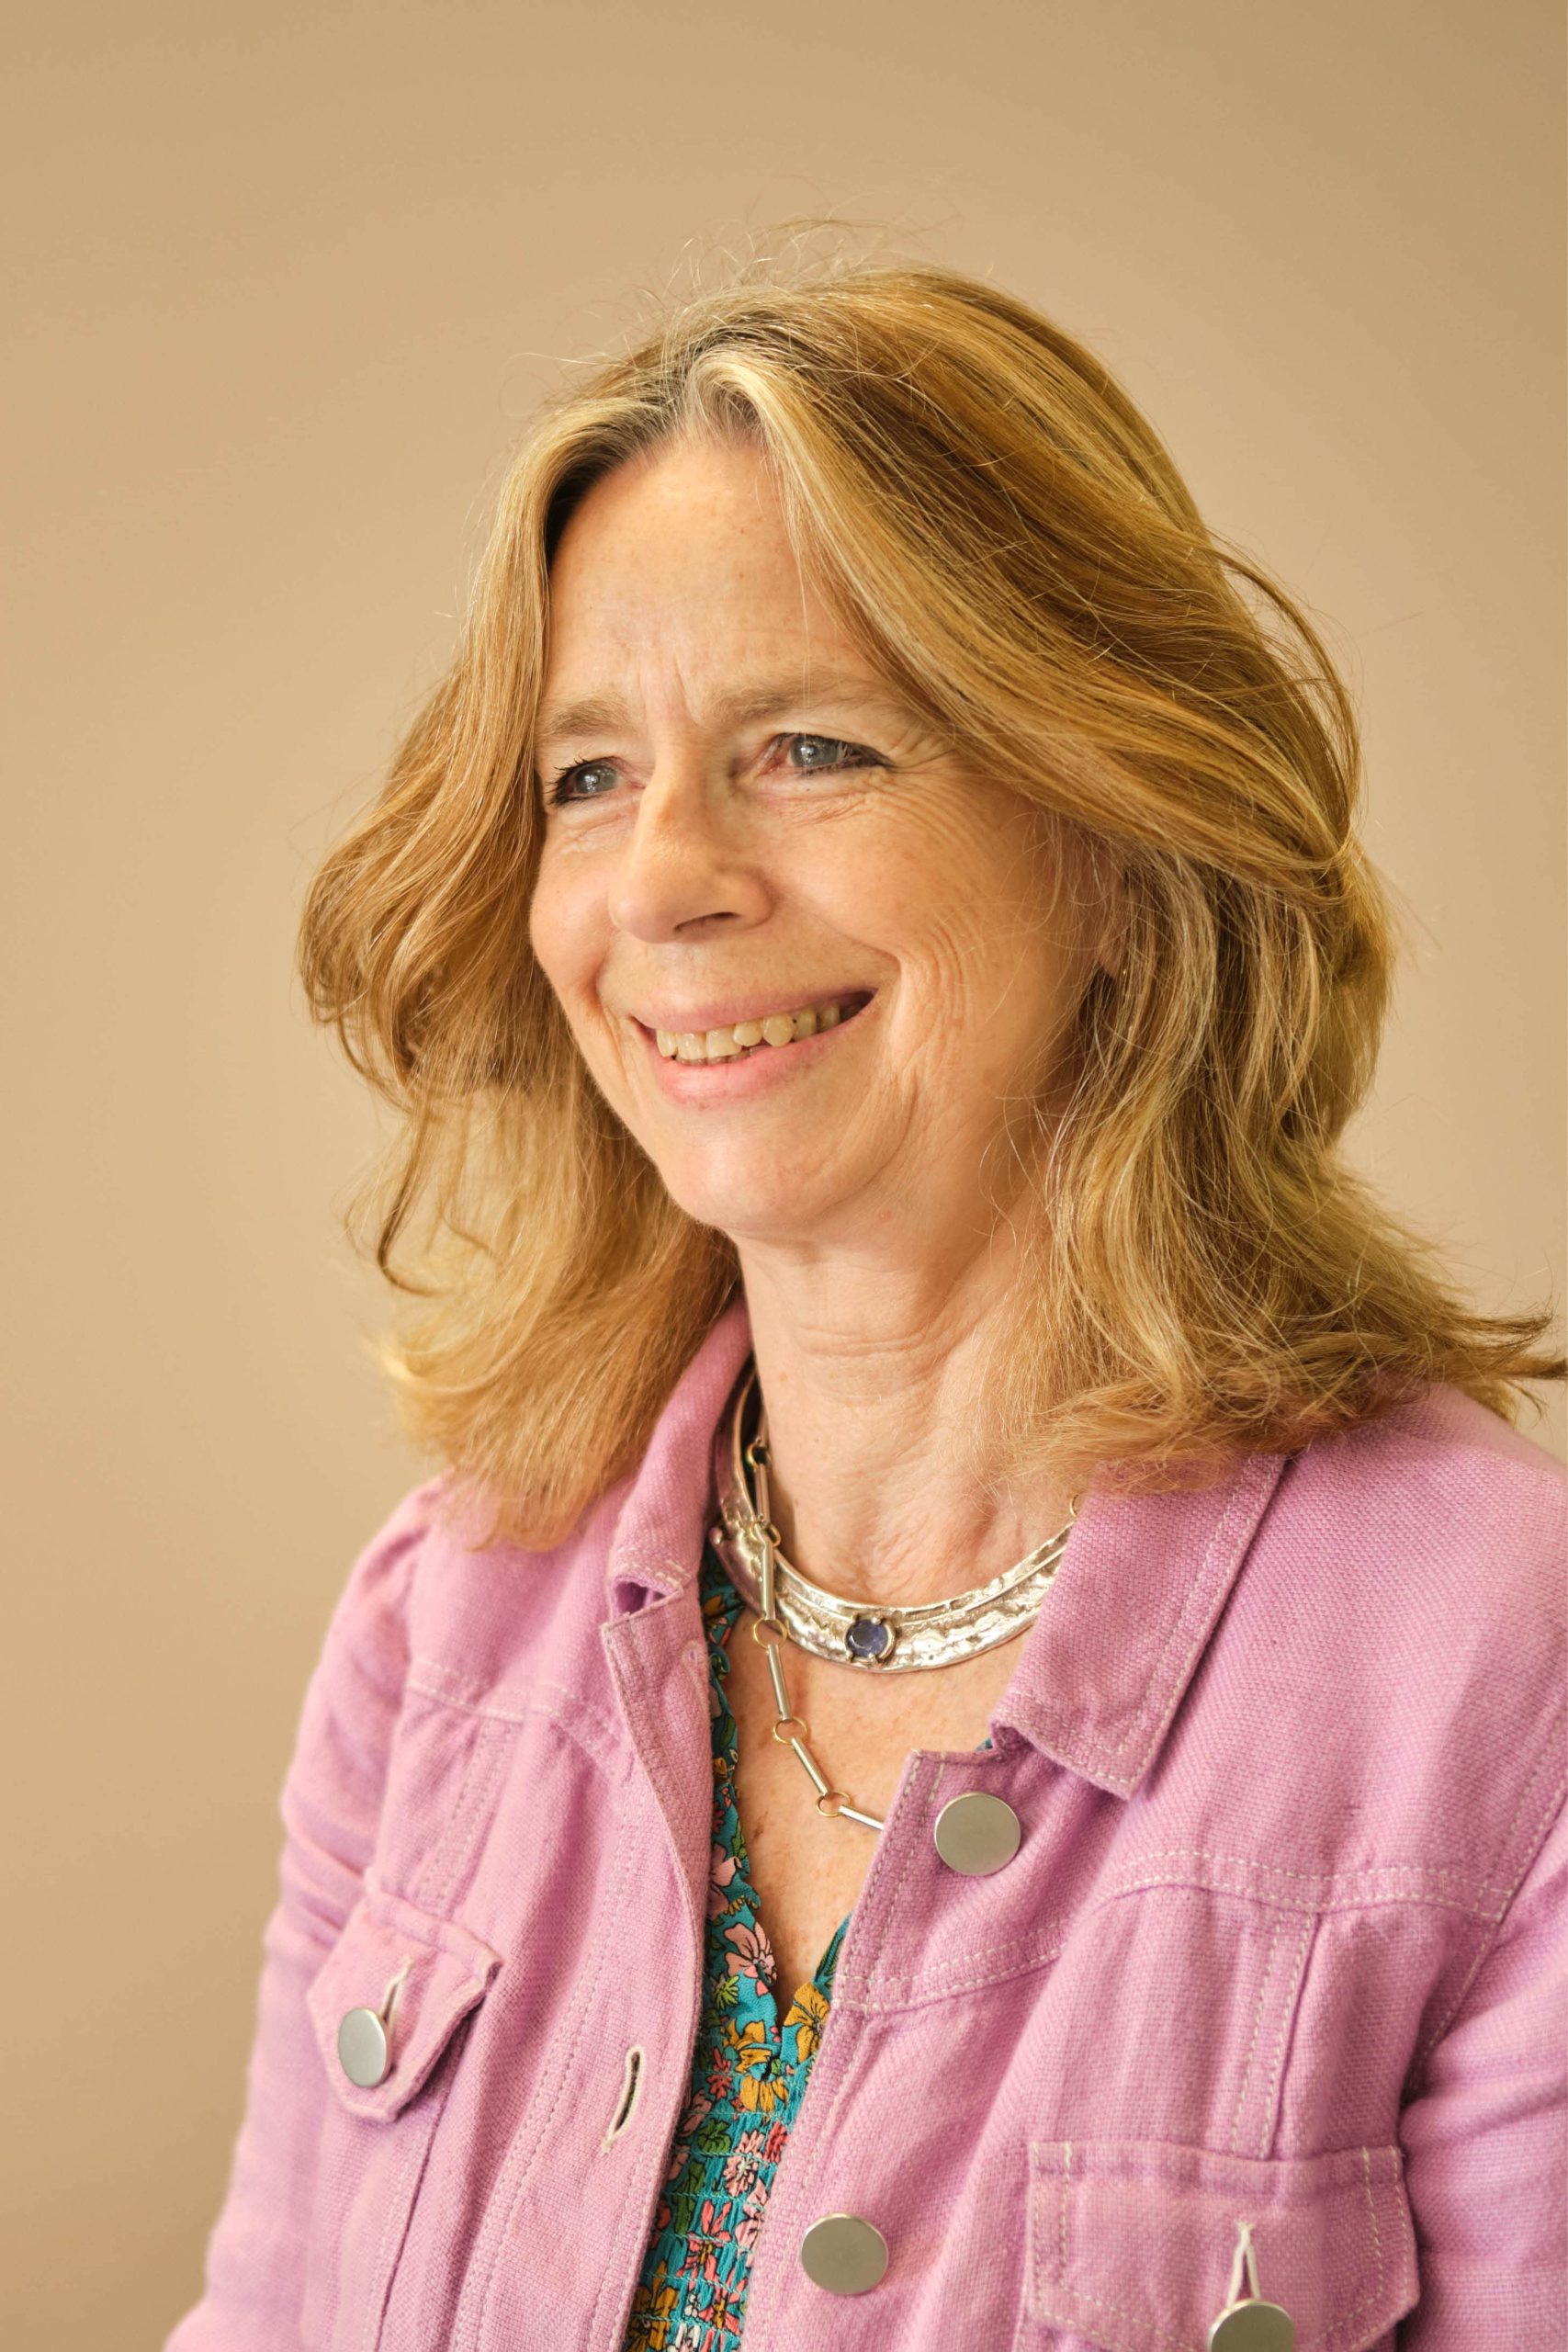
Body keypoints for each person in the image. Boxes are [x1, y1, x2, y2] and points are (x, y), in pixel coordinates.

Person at [167, 252, 1565, 2352]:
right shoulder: (447, 1612)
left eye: (808, 747)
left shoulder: (1497, 1664)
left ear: (1112, 836)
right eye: (585, 777)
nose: (660, 880)